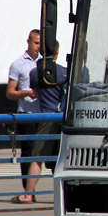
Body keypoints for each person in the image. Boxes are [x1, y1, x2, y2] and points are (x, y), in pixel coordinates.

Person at [16, 41, 67, 203]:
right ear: (57, 52)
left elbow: (36, 93)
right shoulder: (64, 73)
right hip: (62, 118)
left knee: (37, 158)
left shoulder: (34, 73)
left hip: (45, 117)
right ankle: (65, 196)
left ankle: (28, 193)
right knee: (63, 159)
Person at [6, 29, 41, 199]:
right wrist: (26, 93)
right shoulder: (18, 64)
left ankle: (36, 189)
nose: (38, 47)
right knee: (27, 152)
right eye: (35, 43)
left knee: (43, 152)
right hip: (26, 113)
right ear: (28, 41)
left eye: (40, 44)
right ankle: (28, 191)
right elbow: (10, 92)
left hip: (43, 114)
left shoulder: (44, 63)